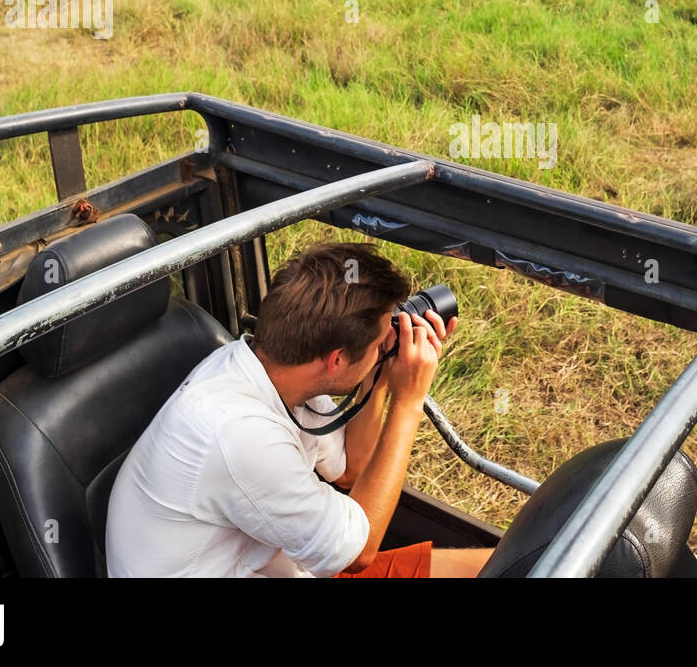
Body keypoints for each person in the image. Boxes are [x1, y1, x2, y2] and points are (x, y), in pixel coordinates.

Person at [105, 241, 493, 578]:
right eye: (380, 341)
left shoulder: (276, 370)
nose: (386, 342)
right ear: (336, 360)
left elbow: (350, 469)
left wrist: (378, 373)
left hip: (278, 564)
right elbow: (359, 555)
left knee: (501, 566)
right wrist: (407, 402)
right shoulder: (239, 434)